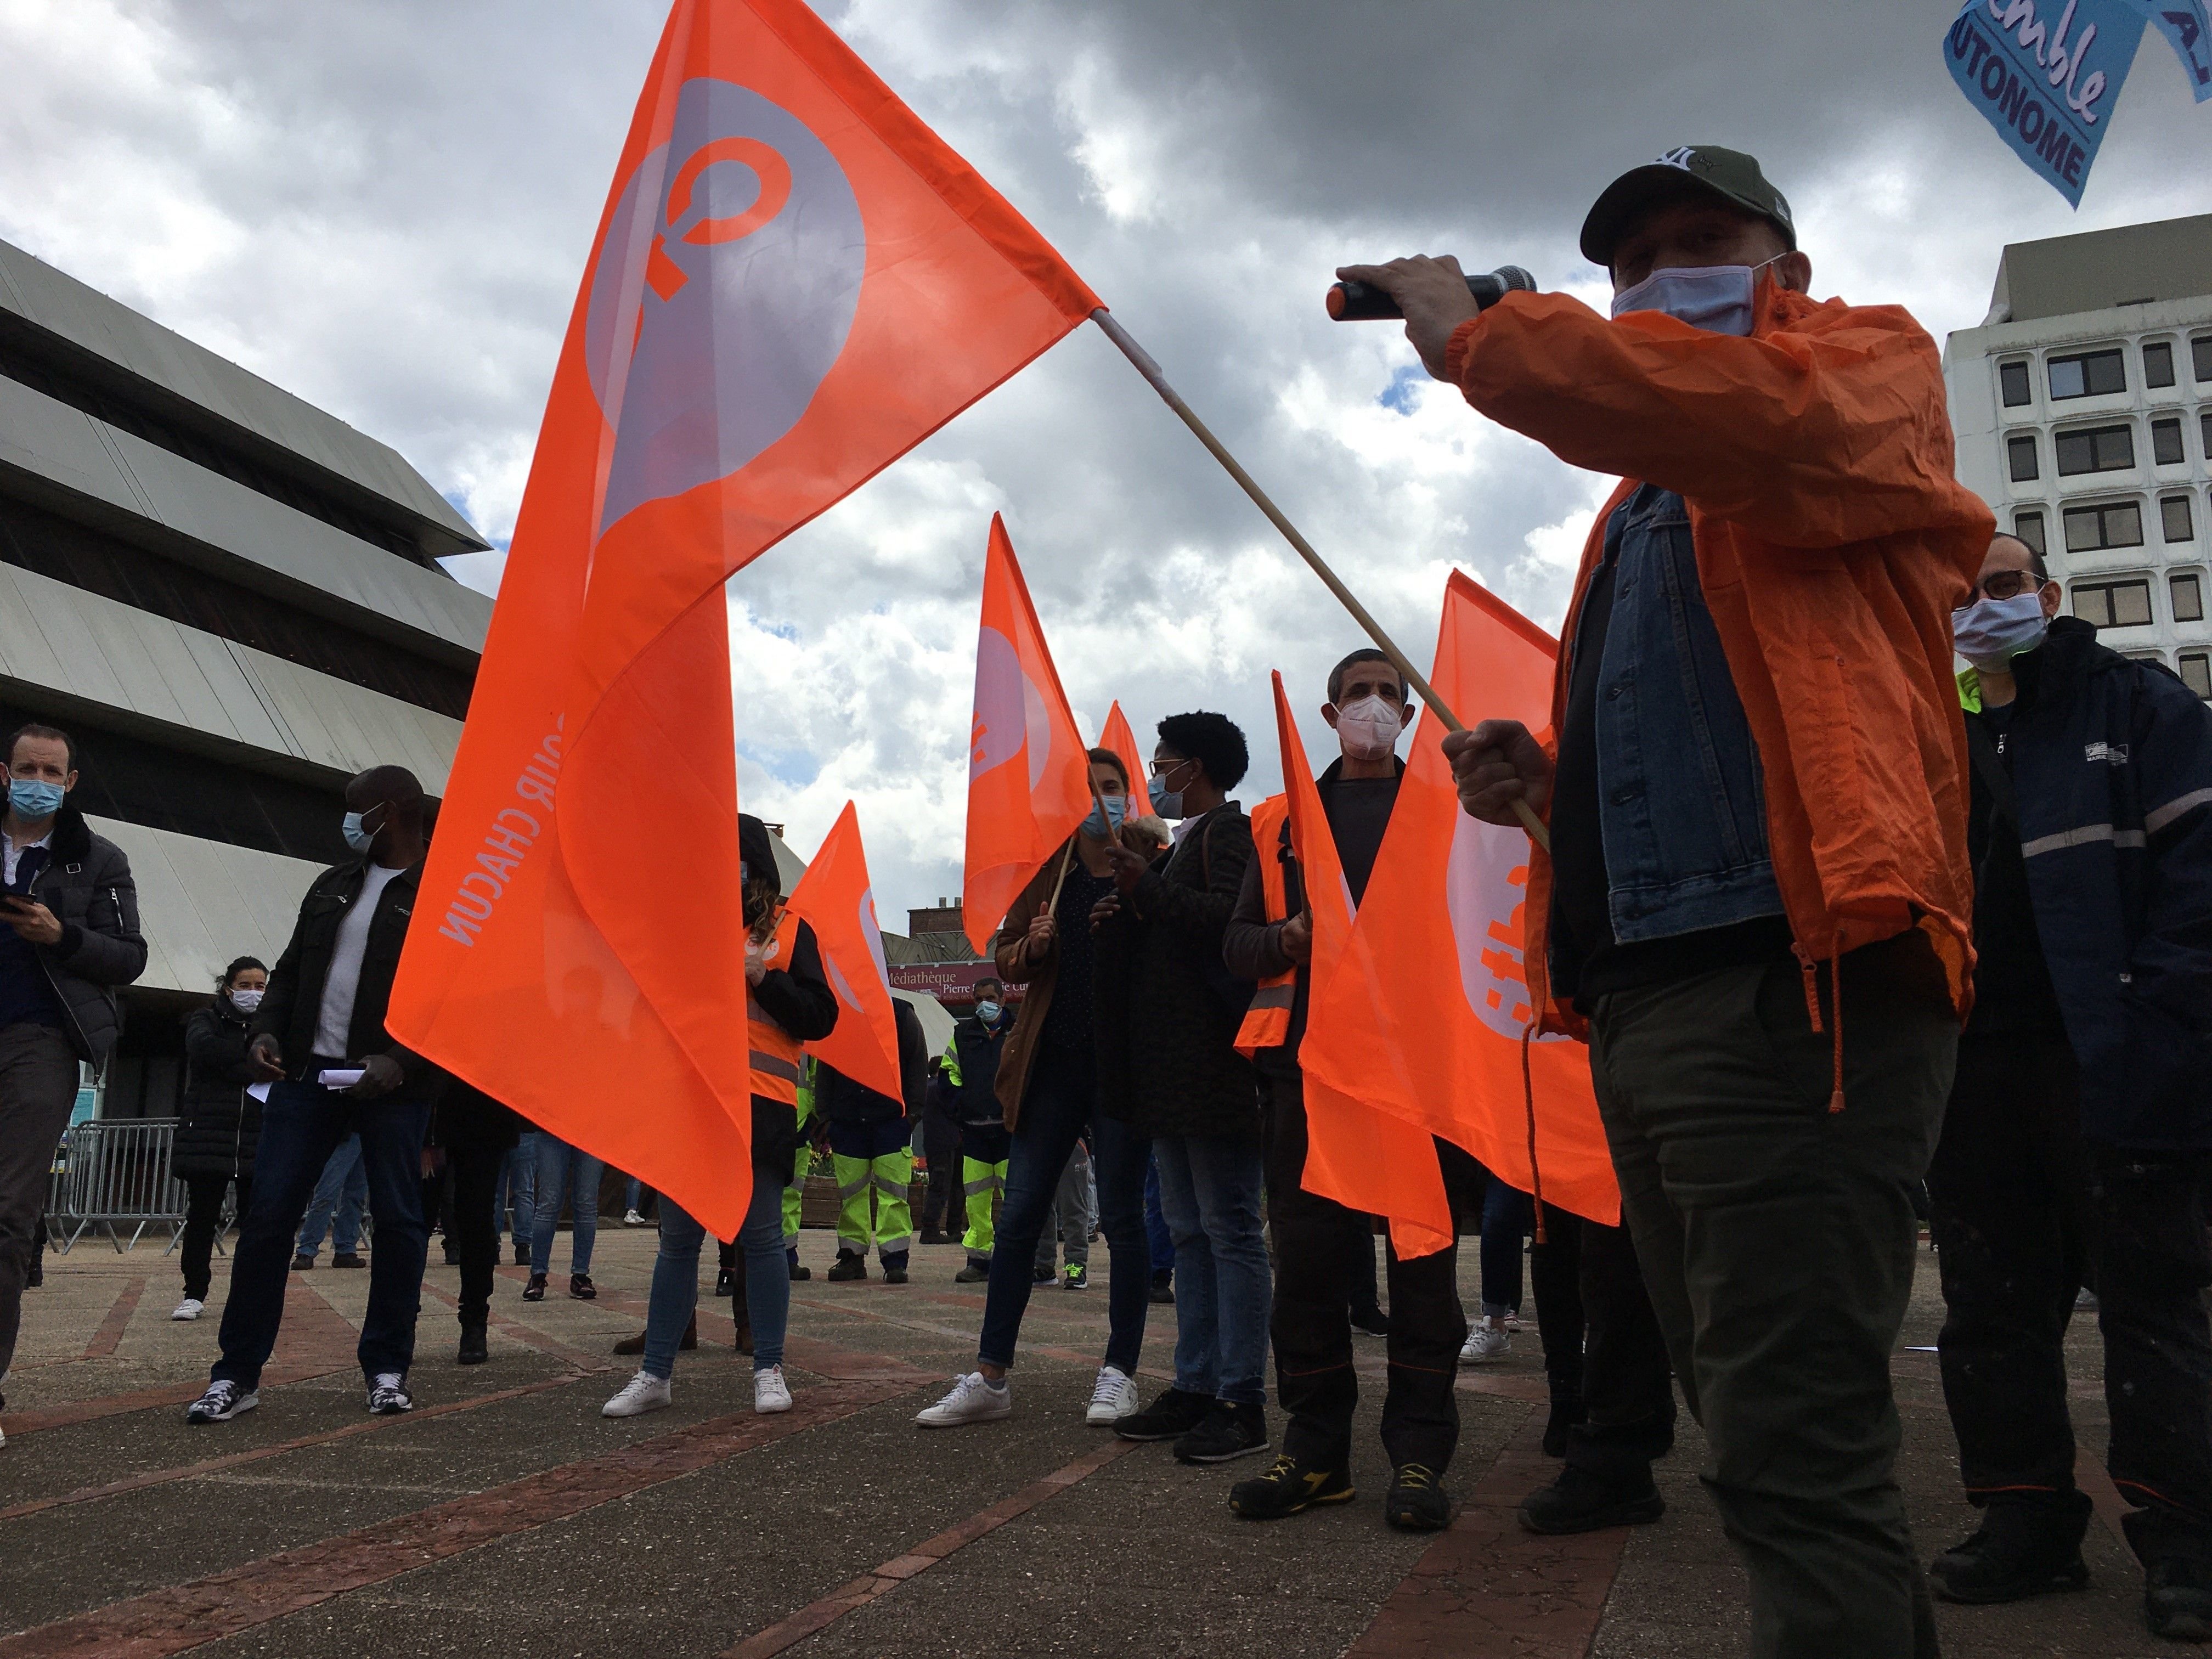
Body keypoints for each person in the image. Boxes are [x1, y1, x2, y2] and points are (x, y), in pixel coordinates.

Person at [1374, 145, 1989, 1655]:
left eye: (1701, 240)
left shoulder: (1864, 369)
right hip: (1658, 995)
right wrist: (1556, 782)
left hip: (1793, 984)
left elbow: (1741, 418)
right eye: (1633, 261)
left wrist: (1480, 336)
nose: (1663, 275)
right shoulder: (1643, 503)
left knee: (1795, 1449)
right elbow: (1737, 719)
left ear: (1785, 258)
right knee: (1761, 1426)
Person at [1925, 533, 2212, 1641]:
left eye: (2003, 585)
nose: (1985, 606)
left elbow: (2198, 885)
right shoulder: (1931, 730)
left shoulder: (2135, 704)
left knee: (2150, 1303)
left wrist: (2164, 1037)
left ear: (2048, 595)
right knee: (1989, 1307)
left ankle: (2184, 1537)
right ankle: (2025, 1520)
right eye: (1964, 593)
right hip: (1974, 1068)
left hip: (2121, 1061)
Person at [1219, 651, 1467, 1527]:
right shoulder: (1283, 824)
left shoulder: (1443, 815)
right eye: (1357, 694)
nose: (1373, 707)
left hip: (1413, 1075)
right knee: (1311, 1268)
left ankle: (1420, 1457)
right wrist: (1289, 937)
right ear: (1328, 716)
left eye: (1388, 694)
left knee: (1422, 1262)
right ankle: (1316, 1453)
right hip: (1307, 1074)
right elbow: (1237, 948)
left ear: (1410, 714)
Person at [185, 765, 441, 1424]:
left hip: (393, 1085)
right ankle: (237, 1375)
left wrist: (401, 1060)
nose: (348, 822)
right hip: (307, 1079)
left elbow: (462, 998)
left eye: (357, 810)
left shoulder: (448, 891)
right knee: (269, 1219)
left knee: (399, 1223)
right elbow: (291, 971)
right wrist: (266, 1031)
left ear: (391, 811)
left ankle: (387, 1366)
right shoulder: (333, 884)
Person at [913, 750, 1154, 1432]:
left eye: (1111, 789)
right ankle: (991, 1376)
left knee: (1126, 1222)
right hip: (1052, 1065)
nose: (1099, 801)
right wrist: (1035, 947)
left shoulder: (1148, 867)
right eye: (1086, 791)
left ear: (1127, 796)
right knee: (1019, 1217)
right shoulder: (1051, 875)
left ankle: (1119, 1372)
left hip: (1122, 1069)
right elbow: (1006, 952)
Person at [602, 815, 836, 1419]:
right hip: (691, 1102)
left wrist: (765, 980)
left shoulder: (790, 927)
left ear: (754, 863)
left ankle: (769, 1369)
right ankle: (655, 1374)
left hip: (761, 1105)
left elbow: (821, 1016)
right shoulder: (684, 925)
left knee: (761, 1240)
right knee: (677, 1242)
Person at [1096, 712, 1269, 1464]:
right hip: (1170, 1072)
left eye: (1161, 762)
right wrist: (1129, 904)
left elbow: (1229, 928)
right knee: (1191, 1232)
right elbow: (1168, 930)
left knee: (1231, 1230)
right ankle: (1195, 1384)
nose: (1153, 774)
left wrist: (1147, 889)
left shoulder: (1231, 835)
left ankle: (1243, 1398)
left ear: (1193, 767)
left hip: (1215, 1065)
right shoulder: (1179, 848)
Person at [0, 722, 145, 1438]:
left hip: (39, 1041)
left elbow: (130, 957)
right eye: (27, 767)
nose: (39, 780)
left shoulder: (98, 860)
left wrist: (64, 937)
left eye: (52, 771)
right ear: (4, 772)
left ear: (71, 782)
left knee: (6, 1215)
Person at [171, 956, 268, 1322]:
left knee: (255, 1221)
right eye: (245, 986)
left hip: (255, 1136)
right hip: (209, 1135)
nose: (253, 993)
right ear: (228, 987)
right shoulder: (206, 1018)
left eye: (260, 986)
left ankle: (249, 1294)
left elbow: (282, 1062)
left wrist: (238, 1065)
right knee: (202, 1218)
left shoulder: (269, 1025)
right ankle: (194, 1293)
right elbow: (204, 1049)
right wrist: (251, 1062)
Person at [823, 997, 929, 1284]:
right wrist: (827, 1117)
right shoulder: (839, 1012)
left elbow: (918, 1061)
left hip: (891, 1120)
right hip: (848, 1121)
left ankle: (895, 1261)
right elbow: (826, 1063)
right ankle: (852, 1258)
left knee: (894, 1194)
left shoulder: (901, 1013)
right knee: (851, 1196)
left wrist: (913, 1112)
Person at [430, 1075, 522, 1365]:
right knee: (413, 1219)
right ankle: (402, 1319)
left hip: (483, 1101)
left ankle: (474, 1319)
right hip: (427, 1100)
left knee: (477, 1218)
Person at [939, 977, 1012, 1284]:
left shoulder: (1018, 1032)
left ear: (1003, 999)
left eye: (991, 997)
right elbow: (948, 1074)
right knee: (977, 1202)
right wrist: (962, 1107)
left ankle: (1015, 1260)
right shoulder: (962, 1034)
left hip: (1010, 1133)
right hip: (975, 1133)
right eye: (980, 998)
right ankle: (979, 1261)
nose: (985, 1004)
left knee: (1017, 1201)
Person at [522, 1131, 601, 1302]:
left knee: (586, 1203)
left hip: (592, 1126)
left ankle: (581, 1273)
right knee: (549, 1202)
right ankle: (538, 1274)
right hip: (553, 1125)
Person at [292, 1136, 368, 1270]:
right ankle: (307, 1248)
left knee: (356, 1196)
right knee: (327, 1192)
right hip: (349, 1130)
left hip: (368, 1131)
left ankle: (345, 1249)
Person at [1032, 1136, 1093, 1289]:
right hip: (1039, 1138)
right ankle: (1043, 1266)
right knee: (1041, 1208)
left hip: (1073, 1137)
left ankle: (1076, 1264)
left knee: (1074, 1205)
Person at [916, 1054, 962, 1246]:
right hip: (946, 1143)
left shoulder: (927, 1089)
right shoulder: (938, 1089)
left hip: (939, 1143)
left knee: (947, 1185)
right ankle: (931, 1228)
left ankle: (951, 1228)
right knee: (942, 1185)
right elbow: (956, 1108)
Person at [498, 1128, 538, 1266]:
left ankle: (492, 1245)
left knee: (496, 1194)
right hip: (525, 1130)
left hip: (497, 1129)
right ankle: (523, 1247)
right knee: (524, 1192)